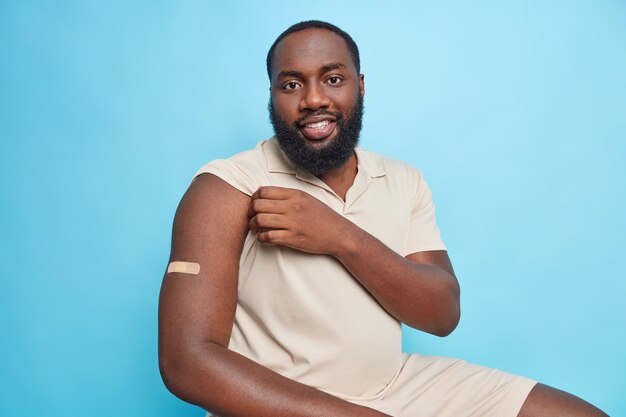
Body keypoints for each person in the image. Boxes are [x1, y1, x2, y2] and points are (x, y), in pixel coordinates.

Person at [158, 20, 607, 417]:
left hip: (397, 385)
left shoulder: (402, 180)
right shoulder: (228, 185)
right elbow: (188, 362)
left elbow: (441, 314)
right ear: (272, 96)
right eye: (291, 85)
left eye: (332, 78)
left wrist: (338, 235)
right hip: (283, 403)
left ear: (361, 85)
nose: (314, 99)